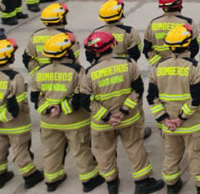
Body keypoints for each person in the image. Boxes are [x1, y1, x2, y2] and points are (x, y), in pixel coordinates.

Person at [80, 31, 164, 194]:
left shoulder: (89, 72)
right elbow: (138, 89)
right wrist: (123, 111)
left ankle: (111, 183)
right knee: (135, 147)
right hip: (128, 119)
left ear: (95, 51)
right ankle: (142, 183)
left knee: (105, 152)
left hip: (102, 123)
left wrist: (107, 117)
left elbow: (86, 101)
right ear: (113, 45)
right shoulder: (129, 63)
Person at [148, 25, 200, 194]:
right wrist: (180, 118)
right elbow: (196, 99)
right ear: (188, 44)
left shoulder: (158, 67)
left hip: (169, 126)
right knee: (196, 154)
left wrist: (166, 119)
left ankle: (172, 185)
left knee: (171, 154)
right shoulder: (195, 67)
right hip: (191, 124)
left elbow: (152, 97)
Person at [32, 33, 101, 192]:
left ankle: (51, 180)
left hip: (49, 121)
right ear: (66, 52)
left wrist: (50, 108)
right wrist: (64, 108)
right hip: (75, 121)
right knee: (80, 150)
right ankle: (89, 179)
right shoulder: (77, 70)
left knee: (51, 151)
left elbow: (35, 98)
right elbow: (80, 97)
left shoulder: (39, 71)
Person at [0, 37, 43, 190]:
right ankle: (30, 176)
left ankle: (1, 175)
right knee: (20, 150)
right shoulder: (14, 77)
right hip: (16, 124)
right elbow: (16, 105)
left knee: (0, 149)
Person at [144, 0, 199, 67]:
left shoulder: (153, 23)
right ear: (179, 4)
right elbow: (194, 48)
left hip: (161, 71)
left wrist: (159, 64)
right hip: (184, 68)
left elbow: (147, 50)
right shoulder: (188, 23)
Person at [24, 3, 78, 76]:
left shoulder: (35, 36)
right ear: (61, 20)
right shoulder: (68, 36)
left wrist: (37, 74)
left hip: (41, 78)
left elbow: (27, 58)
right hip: (64, 77)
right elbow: (74, 59)